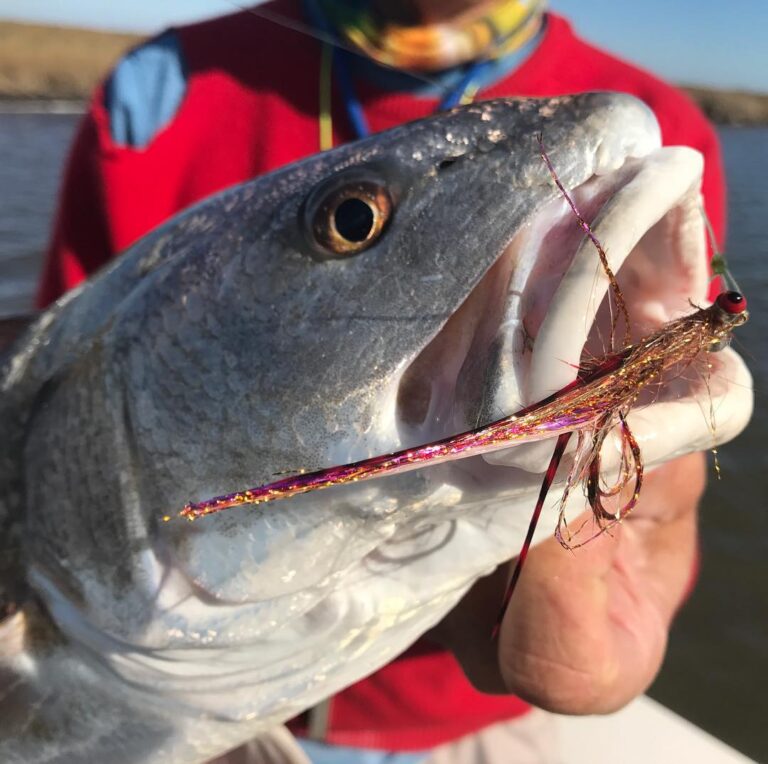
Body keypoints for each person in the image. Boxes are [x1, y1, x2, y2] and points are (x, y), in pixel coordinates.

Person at [39, 1, 724, 762]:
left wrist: (642, 516)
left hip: (467, 721)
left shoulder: (660, 121)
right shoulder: (158, 92)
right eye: (352, 222)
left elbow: (663, 477)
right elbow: (54, 402)